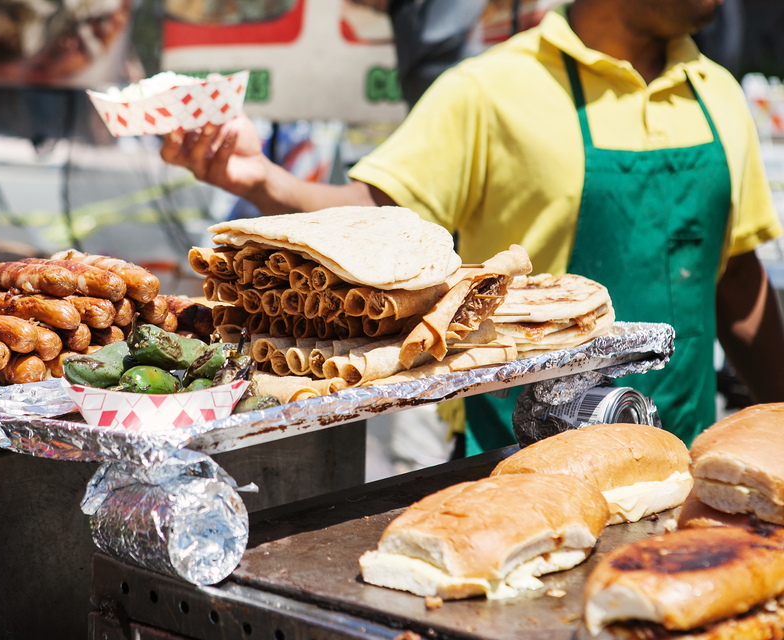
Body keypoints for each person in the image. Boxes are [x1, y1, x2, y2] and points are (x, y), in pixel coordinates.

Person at [162, 0, 784, 456]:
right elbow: (377, 219)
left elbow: (737, 281)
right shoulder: (488, 90)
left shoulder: (719, 94)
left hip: (689, 451)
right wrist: (260, 178)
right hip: (516, 459)